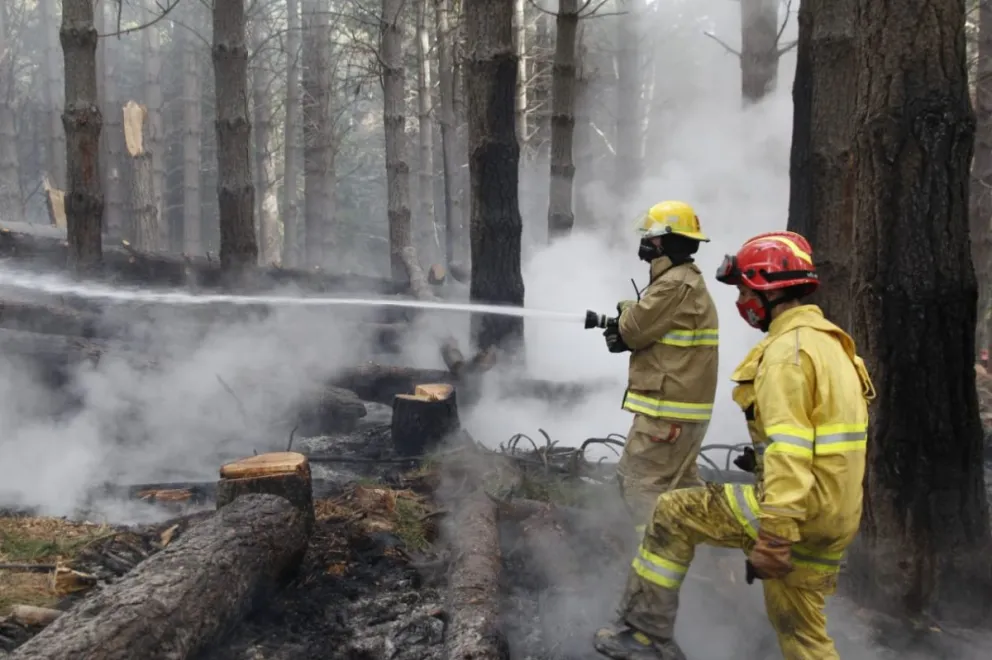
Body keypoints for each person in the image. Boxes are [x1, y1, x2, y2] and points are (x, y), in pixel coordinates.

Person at [593, 230, 876, 660]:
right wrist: (761, 459)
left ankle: (644, 635)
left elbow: (790, 449)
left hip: (795, 514)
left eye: (745, 287)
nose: (742, 298)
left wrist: (776, 536)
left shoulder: (786, 355)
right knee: (801, 634)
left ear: (765, 286)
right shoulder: (834, 346)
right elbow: (820, 437)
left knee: (672, 510)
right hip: (836, 515)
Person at [603, 200, 720, 531]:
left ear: (665, 240)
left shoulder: (674, 283)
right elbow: (649, 320)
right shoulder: (682, 281)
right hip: (677, 416)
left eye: (650, 236)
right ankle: (713, 558)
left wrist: (624, 321)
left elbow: (633, 330)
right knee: (682, 493)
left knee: (640, 487)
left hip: (665, 416)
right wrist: (630, 310)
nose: (645, 242)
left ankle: (654, 560)